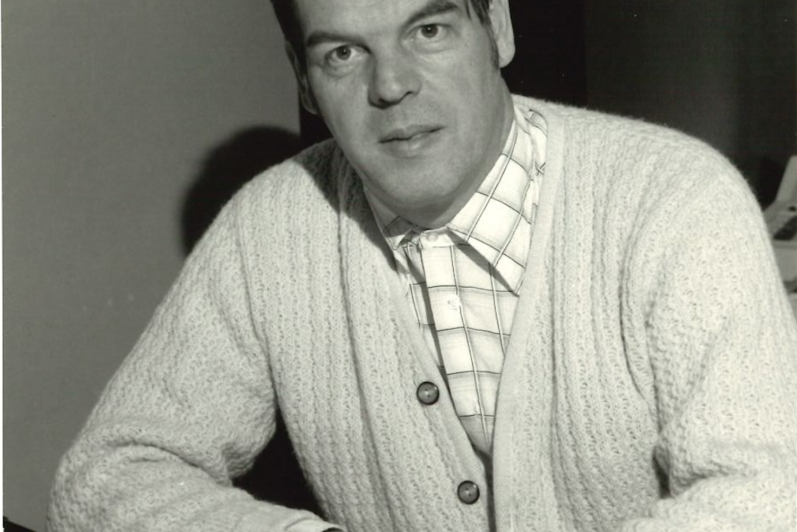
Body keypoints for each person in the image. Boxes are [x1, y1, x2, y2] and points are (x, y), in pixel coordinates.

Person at [48, 0, 797, 530]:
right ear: (305, 81)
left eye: (429, 28)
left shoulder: (673, 199)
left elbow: (768, 495)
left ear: (496, 27)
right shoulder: (270, 227)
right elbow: (109, 477)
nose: (391, 85)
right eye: (342, 52)